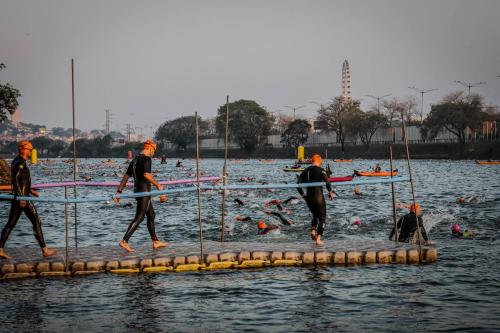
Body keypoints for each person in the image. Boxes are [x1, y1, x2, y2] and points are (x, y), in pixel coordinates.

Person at [0, 141, 57, 259]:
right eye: (30, 150)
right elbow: (15, 180)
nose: (31, 152)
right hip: (22, 198)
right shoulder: (19, 163)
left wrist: (31, 191)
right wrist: (22, 197)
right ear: (23, 150)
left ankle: (0, 249)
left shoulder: (19, 161)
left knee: (11, 224)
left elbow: (22, 181)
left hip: (22, 196)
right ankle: (45, 250)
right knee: (36, 221)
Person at [114, 140, 168, 252]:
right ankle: (124, 240)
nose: (153, 153)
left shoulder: (135, 160)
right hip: (144, 191)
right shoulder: (146, 158)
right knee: (140, 217)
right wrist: (158, 185)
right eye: (153, 151)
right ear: (150, 149)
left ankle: (155, 241)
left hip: (137, 190)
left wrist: (119, 192)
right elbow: (146, 174)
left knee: (151, 215)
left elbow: (125, 177)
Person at [297, 154, 334, 246]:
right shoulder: (321, 170)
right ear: (319, 161)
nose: (321, 162)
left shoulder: (305, 171)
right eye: (321, 160)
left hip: (309, 197)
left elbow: (298, 184)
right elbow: (327, 182)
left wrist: (303, 195)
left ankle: (313, 230)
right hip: (318, 196)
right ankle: (318, 239)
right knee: (322, 217)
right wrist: (330, 192)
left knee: (315, 215)